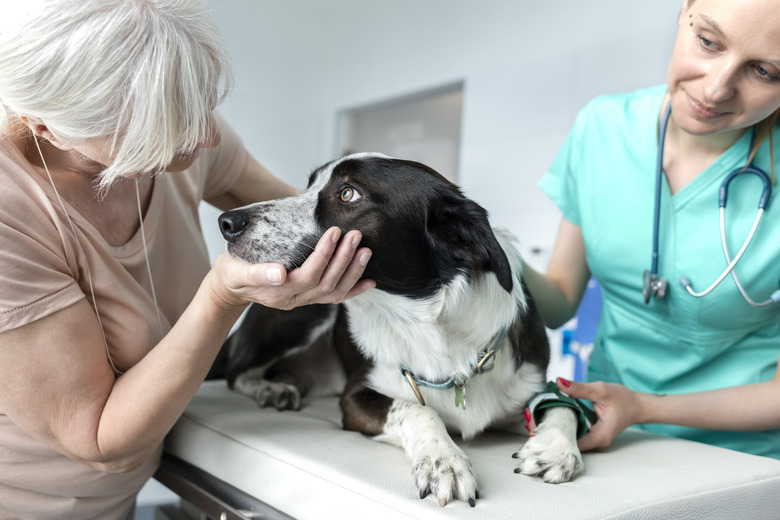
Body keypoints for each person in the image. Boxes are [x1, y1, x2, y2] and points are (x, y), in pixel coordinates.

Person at [0, 1, 374, 518]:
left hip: (122, 497)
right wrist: (222, 297)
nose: (208, 137)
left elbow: (313, 223)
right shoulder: (9, 213)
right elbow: (98, 438)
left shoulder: (184, 122)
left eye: (202, 107)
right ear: (46, 128)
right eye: (166, 129)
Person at [522, 0, 780, 459]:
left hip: (742, 462)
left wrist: (641, 406)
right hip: (605, 440)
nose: (717, 89)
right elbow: (559, 300)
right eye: (708, 42)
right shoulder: (602, 127)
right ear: (685, 10)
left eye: (764, 71)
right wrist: (486, 248)